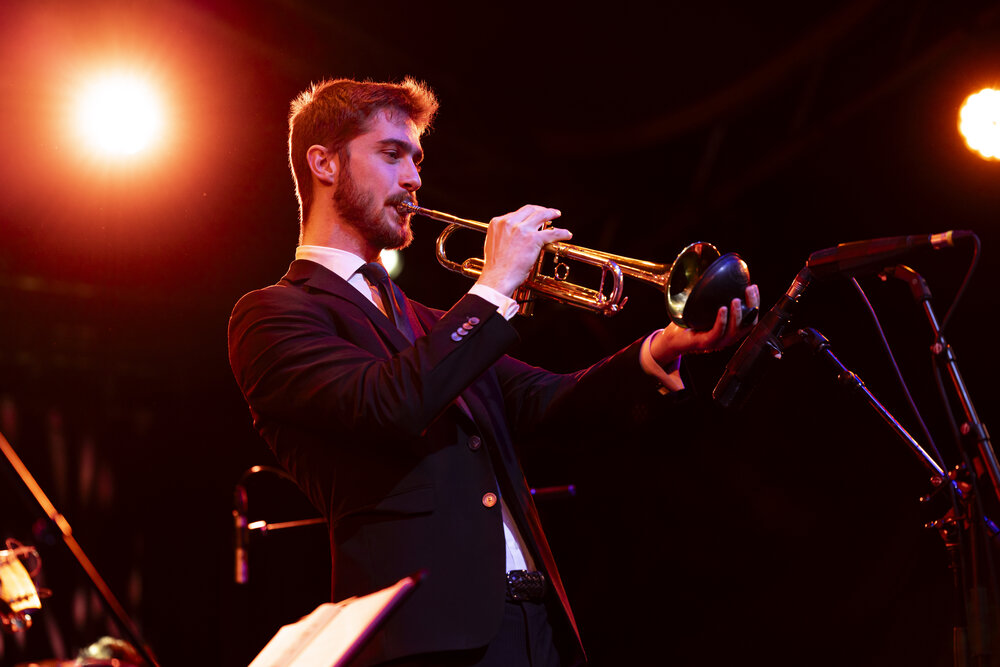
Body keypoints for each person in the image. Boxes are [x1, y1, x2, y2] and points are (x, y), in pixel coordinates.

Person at [227, 77, 759, 667]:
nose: (414, 178)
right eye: (391, 154)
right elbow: (386, 405)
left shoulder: (430, 322)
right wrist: (495, 285)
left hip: (535, 623)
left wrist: (664, 347)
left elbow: (548, 402)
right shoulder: (272, 315)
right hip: (426, 640)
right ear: (323, 163)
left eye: (417, 159)